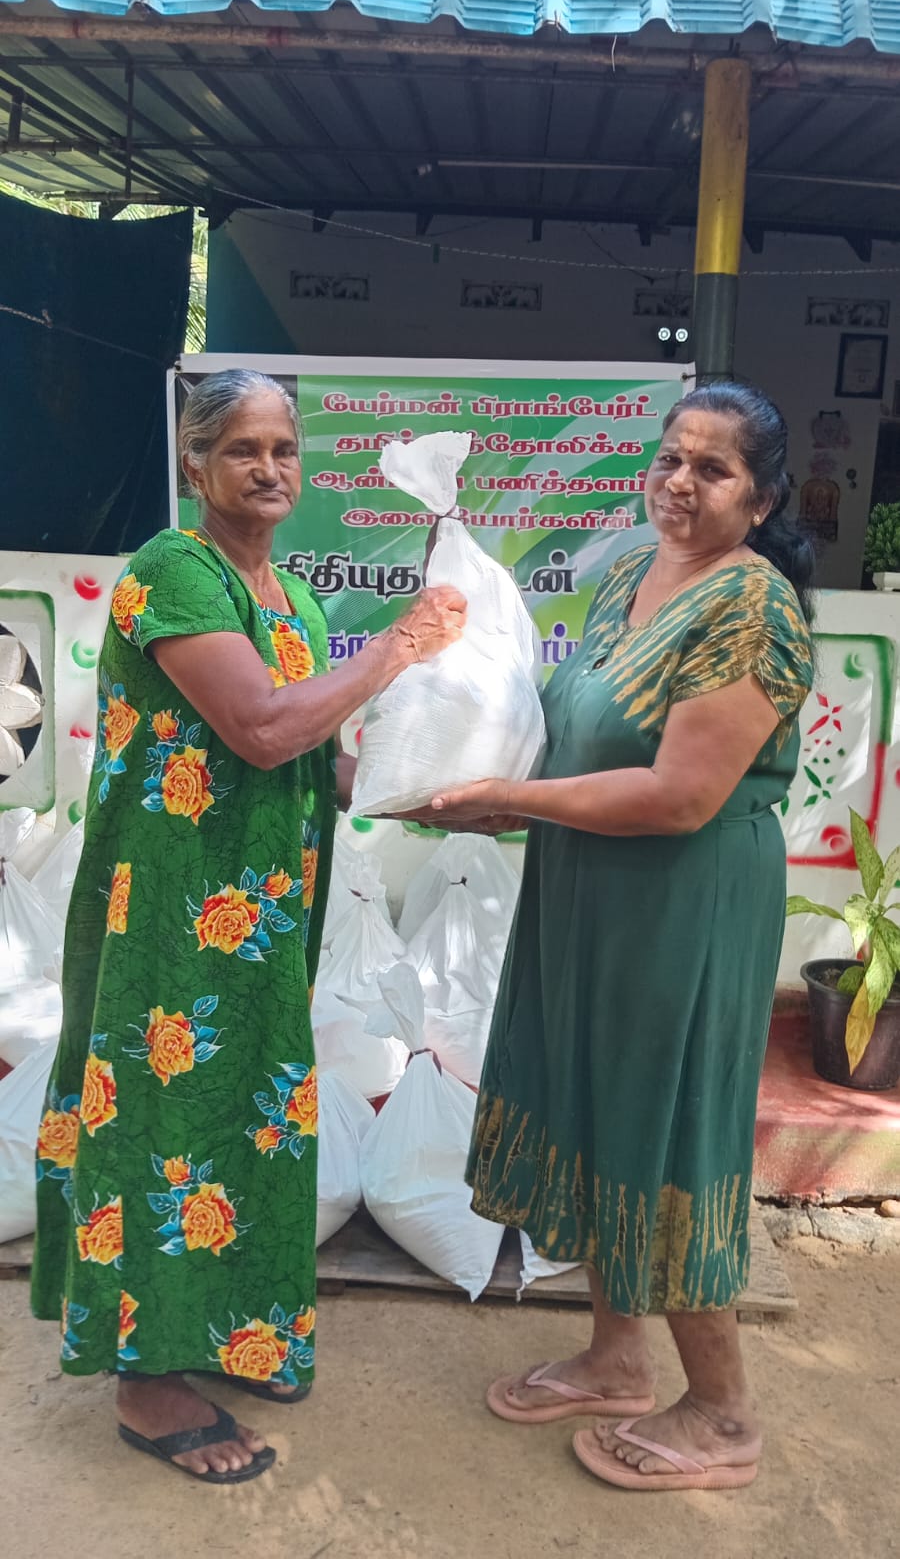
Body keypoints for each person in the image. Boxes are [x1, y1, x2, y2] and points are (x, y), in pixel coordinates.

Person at [31, 369, 465, 1484]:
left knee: (253, 1118)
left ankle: (235, 1329)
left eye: (284, 448)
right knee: (161, 1118)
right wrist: (399, 646)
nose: (270, 468)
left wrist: (443, 784)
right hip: (171, 909)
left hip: (262, 917)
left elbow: (313, 757)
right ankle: (146, 1379)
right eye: (242, 449)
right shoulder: (174, 572)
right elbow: (263, 728)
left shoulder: (295, 602)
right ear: (195, 464)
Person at [428, 382, 814, 1493]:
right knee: (597, 1103)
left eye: (714, 469)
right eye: (670, 459)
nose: (681, 483)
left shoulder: (753, 608)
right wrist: (492, 795)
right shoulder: (628, 575)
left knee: (666, 1120)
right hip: (589, 885)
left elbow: (680, 796)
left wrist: (515, 798)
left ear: (762, 498)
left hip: (682, 903)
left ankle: (724, 1414)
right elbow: (580, 745)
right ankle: (616, 1357)